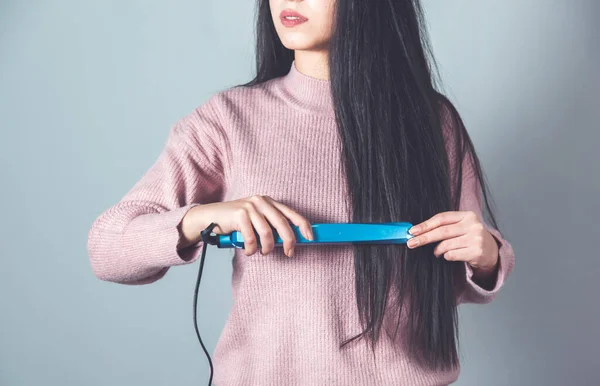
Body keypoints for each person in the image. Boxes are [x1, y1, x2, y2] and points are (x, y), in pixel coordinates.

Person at [87, 0, 515, 384]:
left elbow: (448, 280)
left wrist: (487, 256)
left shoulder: (431, 121)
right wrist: (203, 218)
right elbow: (106, 250)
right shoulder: (226, 121)